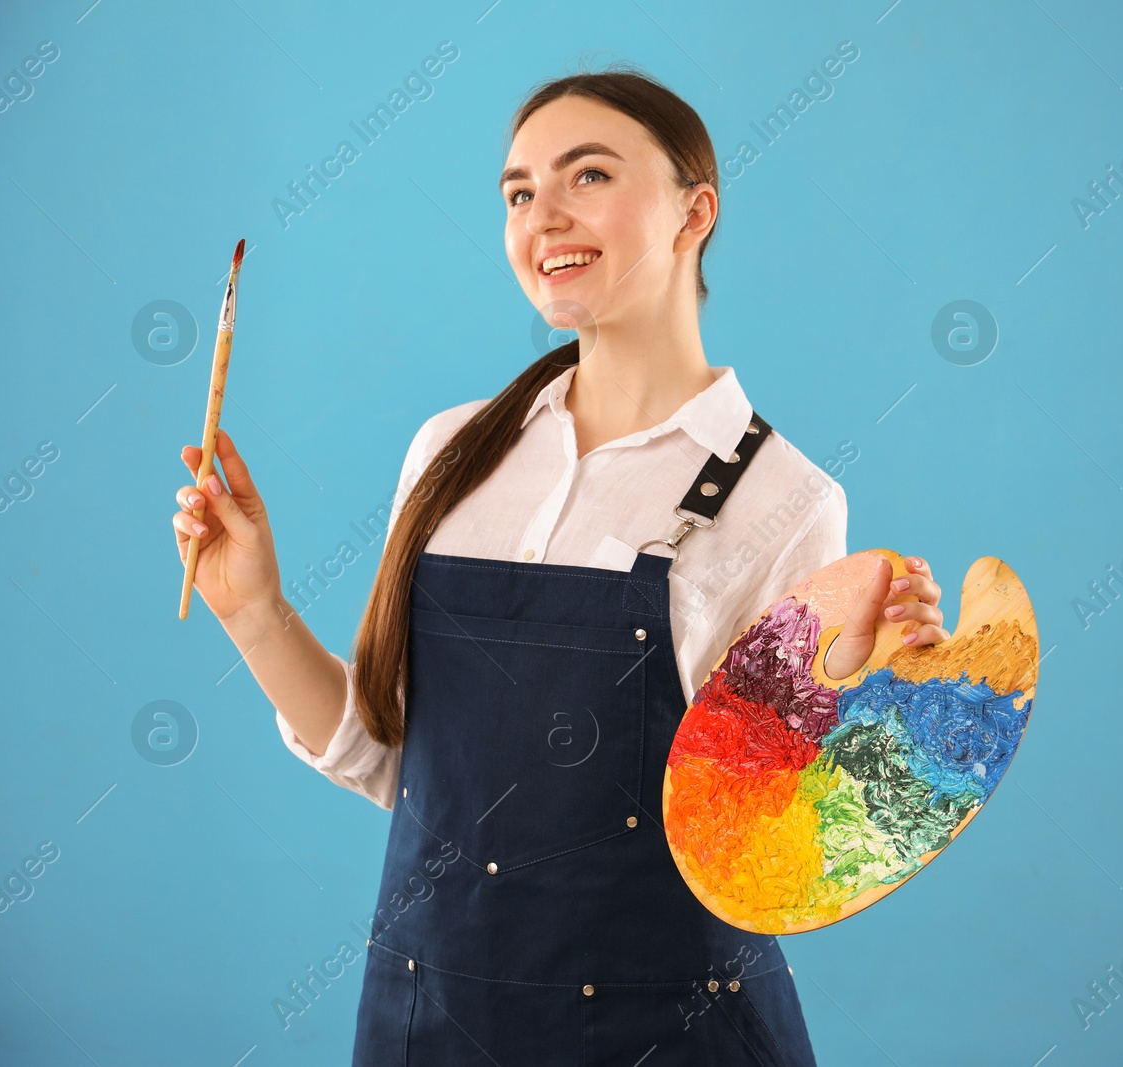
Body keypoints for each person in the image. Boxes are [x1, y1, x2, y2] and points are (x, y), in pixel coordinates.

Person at [172, 64, 950, 1066]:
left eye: (587, 176)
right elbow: (393, 764)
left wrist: (868, 699)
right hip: (428, 1020)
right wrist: (252, 607)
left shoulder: (787, 500)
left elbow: (773, 859)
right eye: (518, 192)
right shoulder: (450, 454)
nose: (544, 216)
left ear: (692, 211)